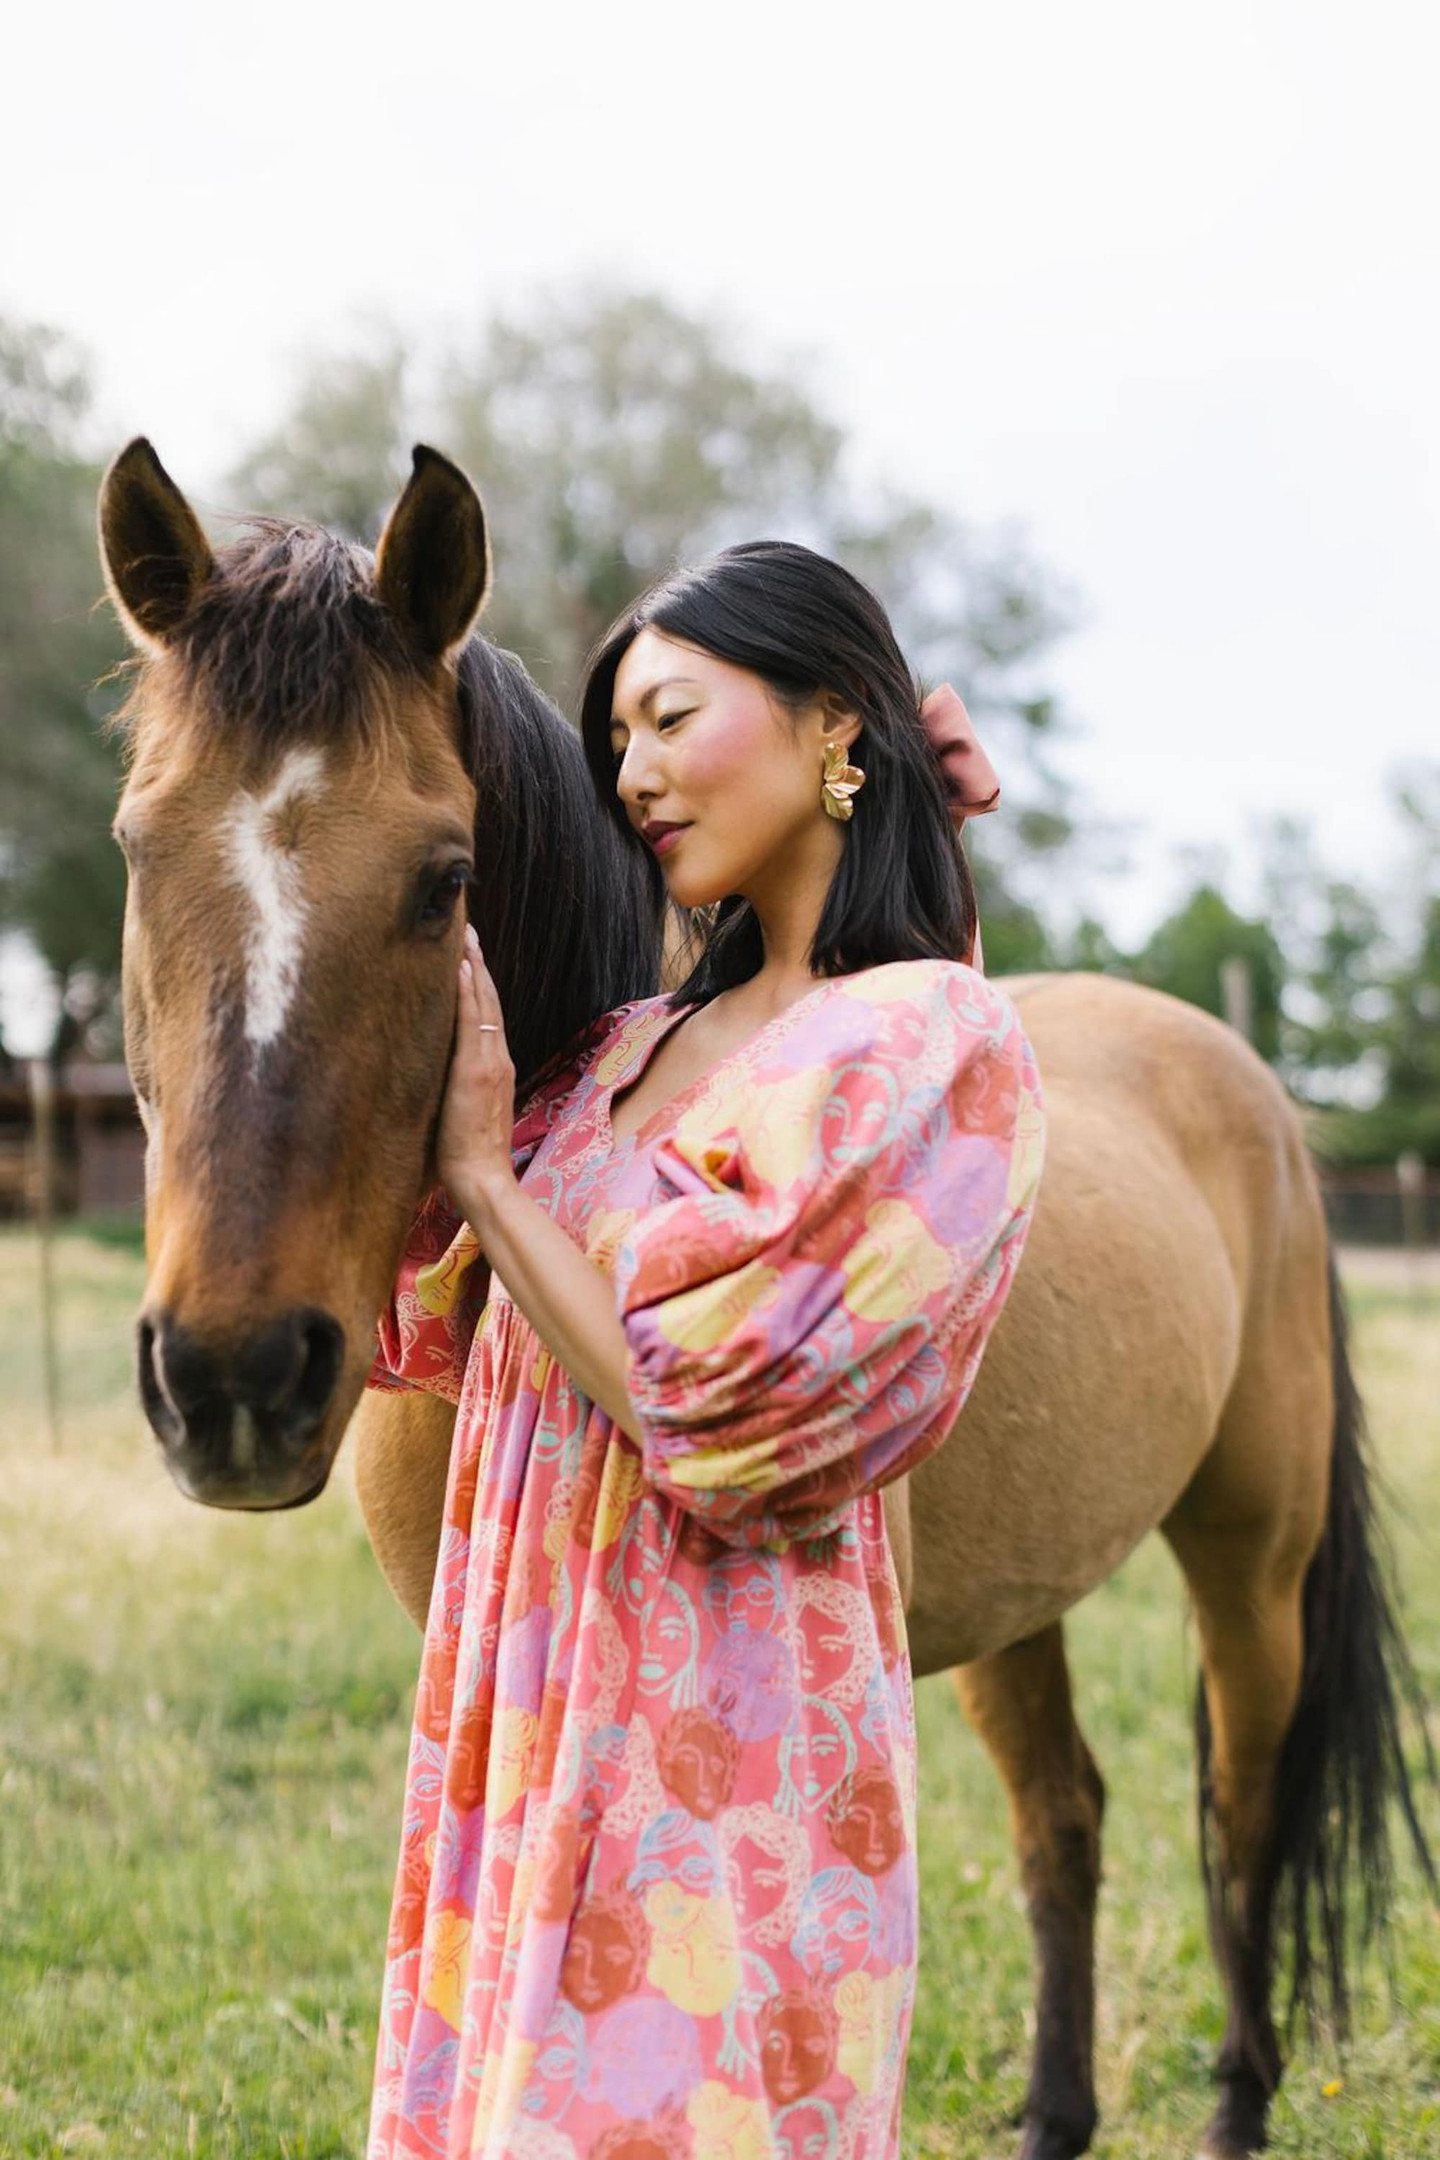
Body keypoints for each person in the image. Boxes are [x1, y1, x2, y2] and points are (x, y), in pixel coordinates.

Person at [365, 540, 1044, 2160]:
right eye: (616, 740)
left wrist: (488, 1180)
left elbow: (716, 1405)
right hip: (525, 1734)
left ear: (834, 721)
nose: (634, 774)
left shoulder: (937, 1039)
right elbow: (426, 1310)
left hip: (721, 1766)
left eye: (671, 717)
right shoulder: (616, 1049)